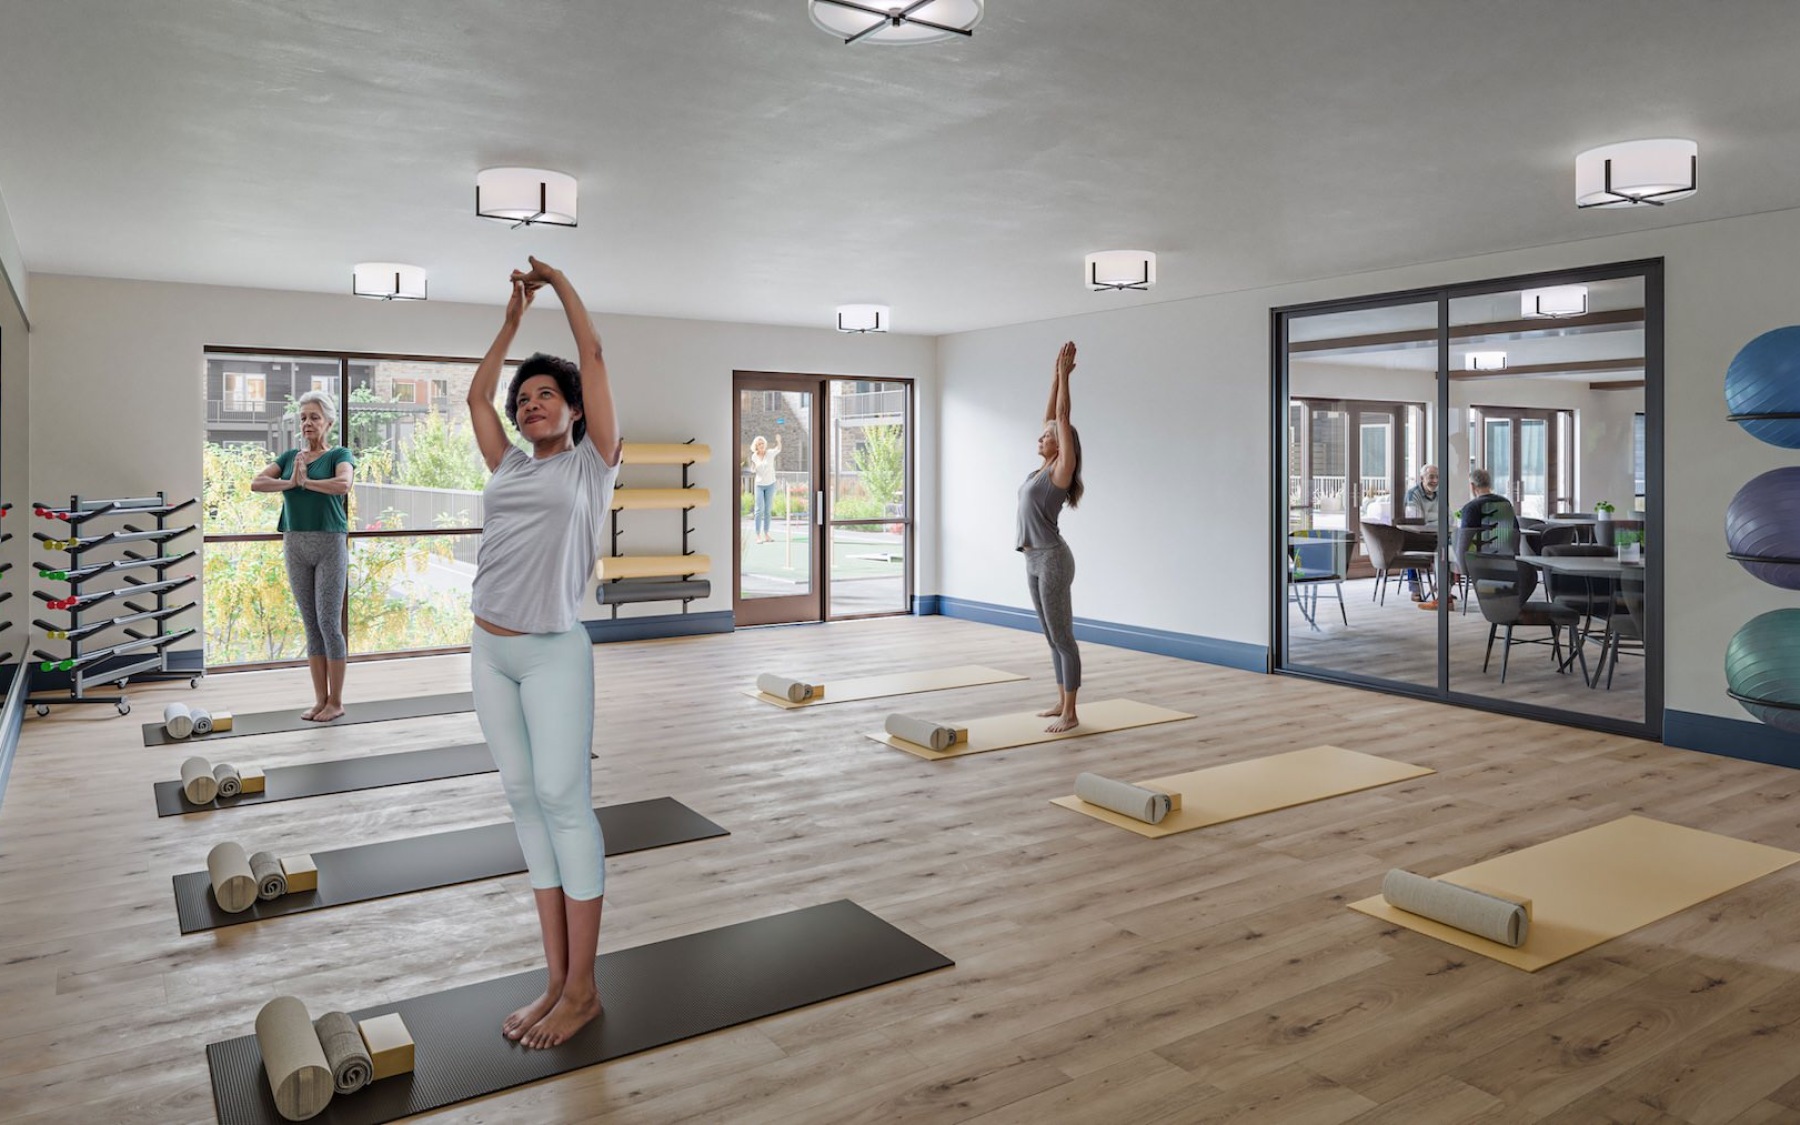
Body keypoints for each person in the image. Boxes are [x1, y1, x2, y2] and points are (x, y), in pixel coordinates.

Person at [466, 256, 622, 1050]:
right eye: (523, 399)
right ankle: (556, 980)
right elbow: (474, 396)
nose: (528, 405)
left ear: (572, 412)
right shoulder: (507, 466)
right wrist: (510, 322)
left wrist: (557, 284)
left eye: (543, 396)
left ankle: (585, 987)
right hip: (487, 650)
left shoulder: (594, 467)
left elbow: (592, 357)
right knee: (525, 803)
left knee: (564, 801)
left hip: (555, 652)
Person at [251, 391, 354, 721]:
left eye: (314, 417)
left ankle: (336, 702)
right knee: (311, 625)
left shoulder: (339, 453)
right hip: (295, 543)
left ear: (328, 422)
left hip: (329, 543)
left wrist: (306, 483)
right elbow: (257, 482)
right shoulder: (290, 456)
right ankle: (320, 700)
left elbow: (343, 485)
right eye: (303, 418)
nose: (308, 423)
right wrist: (291, 481)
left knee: (328, 622)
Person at [1018, 341, 1085, 733]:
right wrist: (1054, 376)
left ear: (1061, 444)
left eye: (1046, 437)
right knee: (1050, 635)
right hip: (1032, 558)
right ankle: (1060, 701)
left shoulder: (1061, 471)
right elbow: (1050, 414)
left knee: (1063, 635)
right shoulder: (1041, 470)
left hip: (1054, 559)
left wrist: (1064, 378)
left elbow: (1060, 415)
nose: (1039, 438)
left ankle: (1072, 713)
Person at [1401, 464, 1440, 600]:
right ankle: (1415, 590)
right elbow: (1416, 519)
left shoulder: (1440, 494)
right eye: (1431, 477)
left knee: (1449, 548)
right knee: (1412, 547)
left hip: (1435, 536)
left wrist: (1428, 518)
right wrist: (1437, 517)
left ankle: (1442, 588)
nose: (1435, 480)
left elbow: (1450, 518)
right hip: (1414, 536)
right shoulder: (1413, 494)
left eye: (1437, 477)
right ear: (1422, 477)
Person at [746, 434, 782, 544]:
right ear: (756, 446)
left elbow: (778, 449)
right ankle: (758, 535)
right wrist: (753, 468)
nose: (761, 445)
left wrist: (778, 440)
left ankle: (766, 534)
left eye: (762, 443)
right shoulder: (754, 456)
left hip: (770, 484)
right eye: (759, 444)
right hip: (759, 485)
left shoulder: (770, 453)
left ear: (765, 444)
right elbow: (753, 470)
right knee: (758, 510)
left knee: (767, 511)